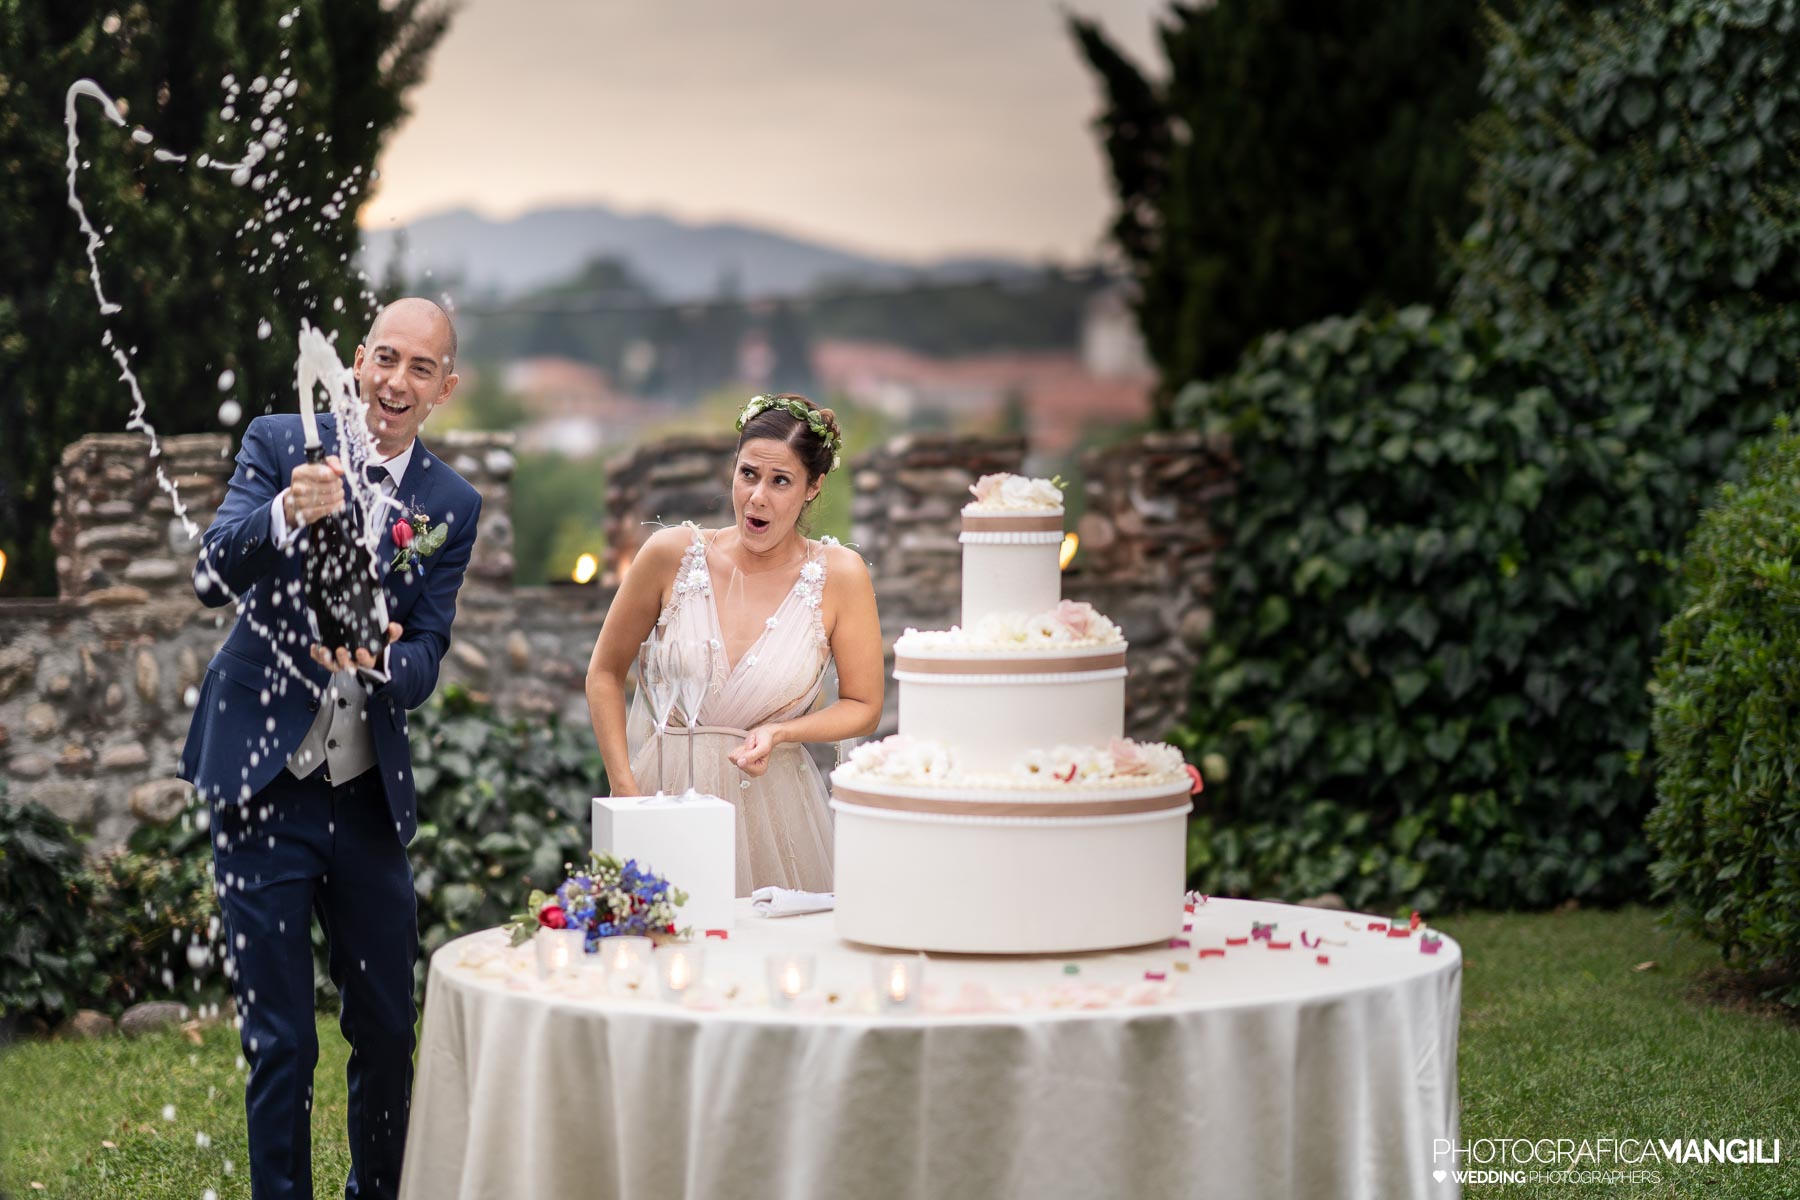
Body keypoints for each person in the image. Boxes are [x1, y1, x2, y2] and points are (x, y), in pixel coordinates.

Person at [178, 298, 481, 1200]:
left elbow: (429, 655)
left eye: (420, 369)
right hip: (262, 780)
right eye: (385, 359)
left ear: (445, 388)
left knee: (388, 1027)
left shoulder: (449, 505)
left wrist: (391, 661)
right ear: (357, 359)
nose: (395, 382)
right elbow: (208, 573)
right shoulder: (280, 441)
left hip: (363, 795)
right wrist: (282, 512)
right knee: (283, 1037)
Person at [586, 393, 883, 893]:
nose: (757, 497)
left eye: (780, 481)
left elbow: (864, 705)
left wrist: (782, 733)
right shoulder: (670, 555)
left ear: (814, 487)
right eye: (748, 474)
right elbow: (604, 673)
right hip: (665, 800)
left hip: (778, 811)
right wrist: (626, 792)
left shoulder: (840, 576)